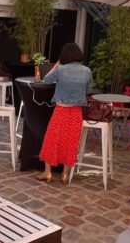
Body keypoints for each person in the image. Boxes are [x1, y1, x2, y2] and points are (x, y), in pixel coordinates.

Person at [38, 42, 92, 184]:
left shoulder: (61, 70)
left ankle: (47, 172)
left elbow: (46, 79)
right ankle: (65, 174)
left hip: (61, 110)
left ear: (64, 55)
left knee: (51, 139)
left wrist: (57, 64)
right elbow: (88, 91)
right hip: (76, 112)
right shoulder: (87, 71)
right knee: (71, 142)